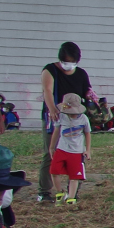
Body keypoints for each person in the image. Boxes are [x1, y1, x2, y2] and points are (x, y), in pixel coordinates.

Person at [37, 42, 92, 204]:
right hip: (56, 118)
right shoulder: (50, 70)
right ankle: (45, 191)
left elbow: (86, 92)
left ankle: (73, 191)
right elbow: (47, 90)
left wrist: (92, 97)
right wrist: (52, 109)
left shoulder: (81, 73)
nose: (69, 65)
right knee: (51, 153)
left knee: (76, 155)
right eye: (66, 61)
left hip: (76, 120)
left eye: (72, 61)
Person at [49, 92, 94, 207]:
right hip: (62, 148)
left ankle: (71, 197)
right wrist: (51, 147)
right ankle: (60, 192)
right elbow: (56, 131)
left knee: (74, 176)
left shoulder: (83, 119)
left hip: (76, 151)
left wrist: (87, 150)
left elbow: (88, 133)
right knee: (54, 171)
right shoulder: (62, 117)